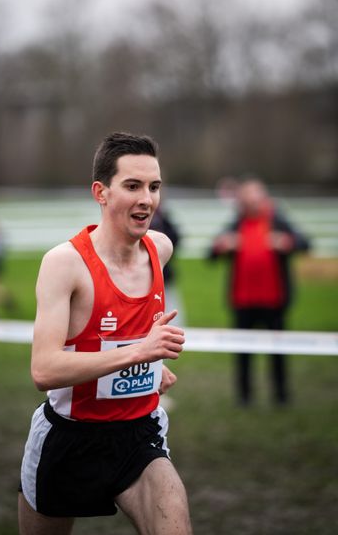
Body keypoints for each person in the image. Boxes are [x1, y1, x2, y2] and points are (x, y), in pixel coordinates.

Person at [18, 132, 192, 535]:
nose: (146, 199)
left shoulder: (160, 249)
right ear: (101, 192)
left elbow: (120, 338)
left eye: (154, 186)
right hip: (69, 438)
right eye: (132, 186)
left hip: (139, 433)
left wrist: (147, 373)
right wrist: (138, 354)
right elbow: (44, 369)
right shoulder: (64, 263)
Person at [208, 178, 310, 406]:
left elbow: (305, 242)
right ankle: (244, 398)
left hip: (274, 301)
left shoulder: (277, 219)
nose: (251, 204)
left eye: (255, 199)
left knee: (278, 352)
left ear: (263, 198)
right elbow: (211, 253)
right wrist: (222, 245)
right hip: (243, 301)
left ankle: (281, 396)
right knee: (243, 352)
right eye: (247, 200)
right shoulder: (237, 223)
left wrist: (287, 242)